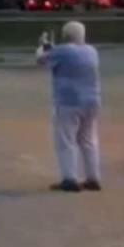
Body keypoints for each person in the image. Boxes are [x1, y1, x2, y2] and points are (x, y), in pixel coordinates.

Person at [36, 20, 102, 192]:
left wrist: (41, 46)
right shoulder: (91, 51)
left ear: (65, 35)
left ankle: (69, 178)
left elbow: (40, 60)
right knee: (88, 140)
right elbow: (66, 54)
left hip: (68, 102)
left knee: (65, 140)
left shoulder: (62, 51)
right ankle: (93, 177)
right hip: (92, 100)